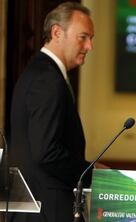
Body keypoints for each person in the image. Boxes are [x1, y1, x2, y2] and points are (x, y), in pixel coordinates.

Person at [10, 2, 100, 222]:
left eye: (91, 39)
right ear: (57, 32)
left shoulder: (41, 72)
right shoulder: (48, 79)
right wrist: (91, 173)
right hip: (45, 211)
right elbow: (46, 153)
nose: (89, 46)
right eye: (83, 37)